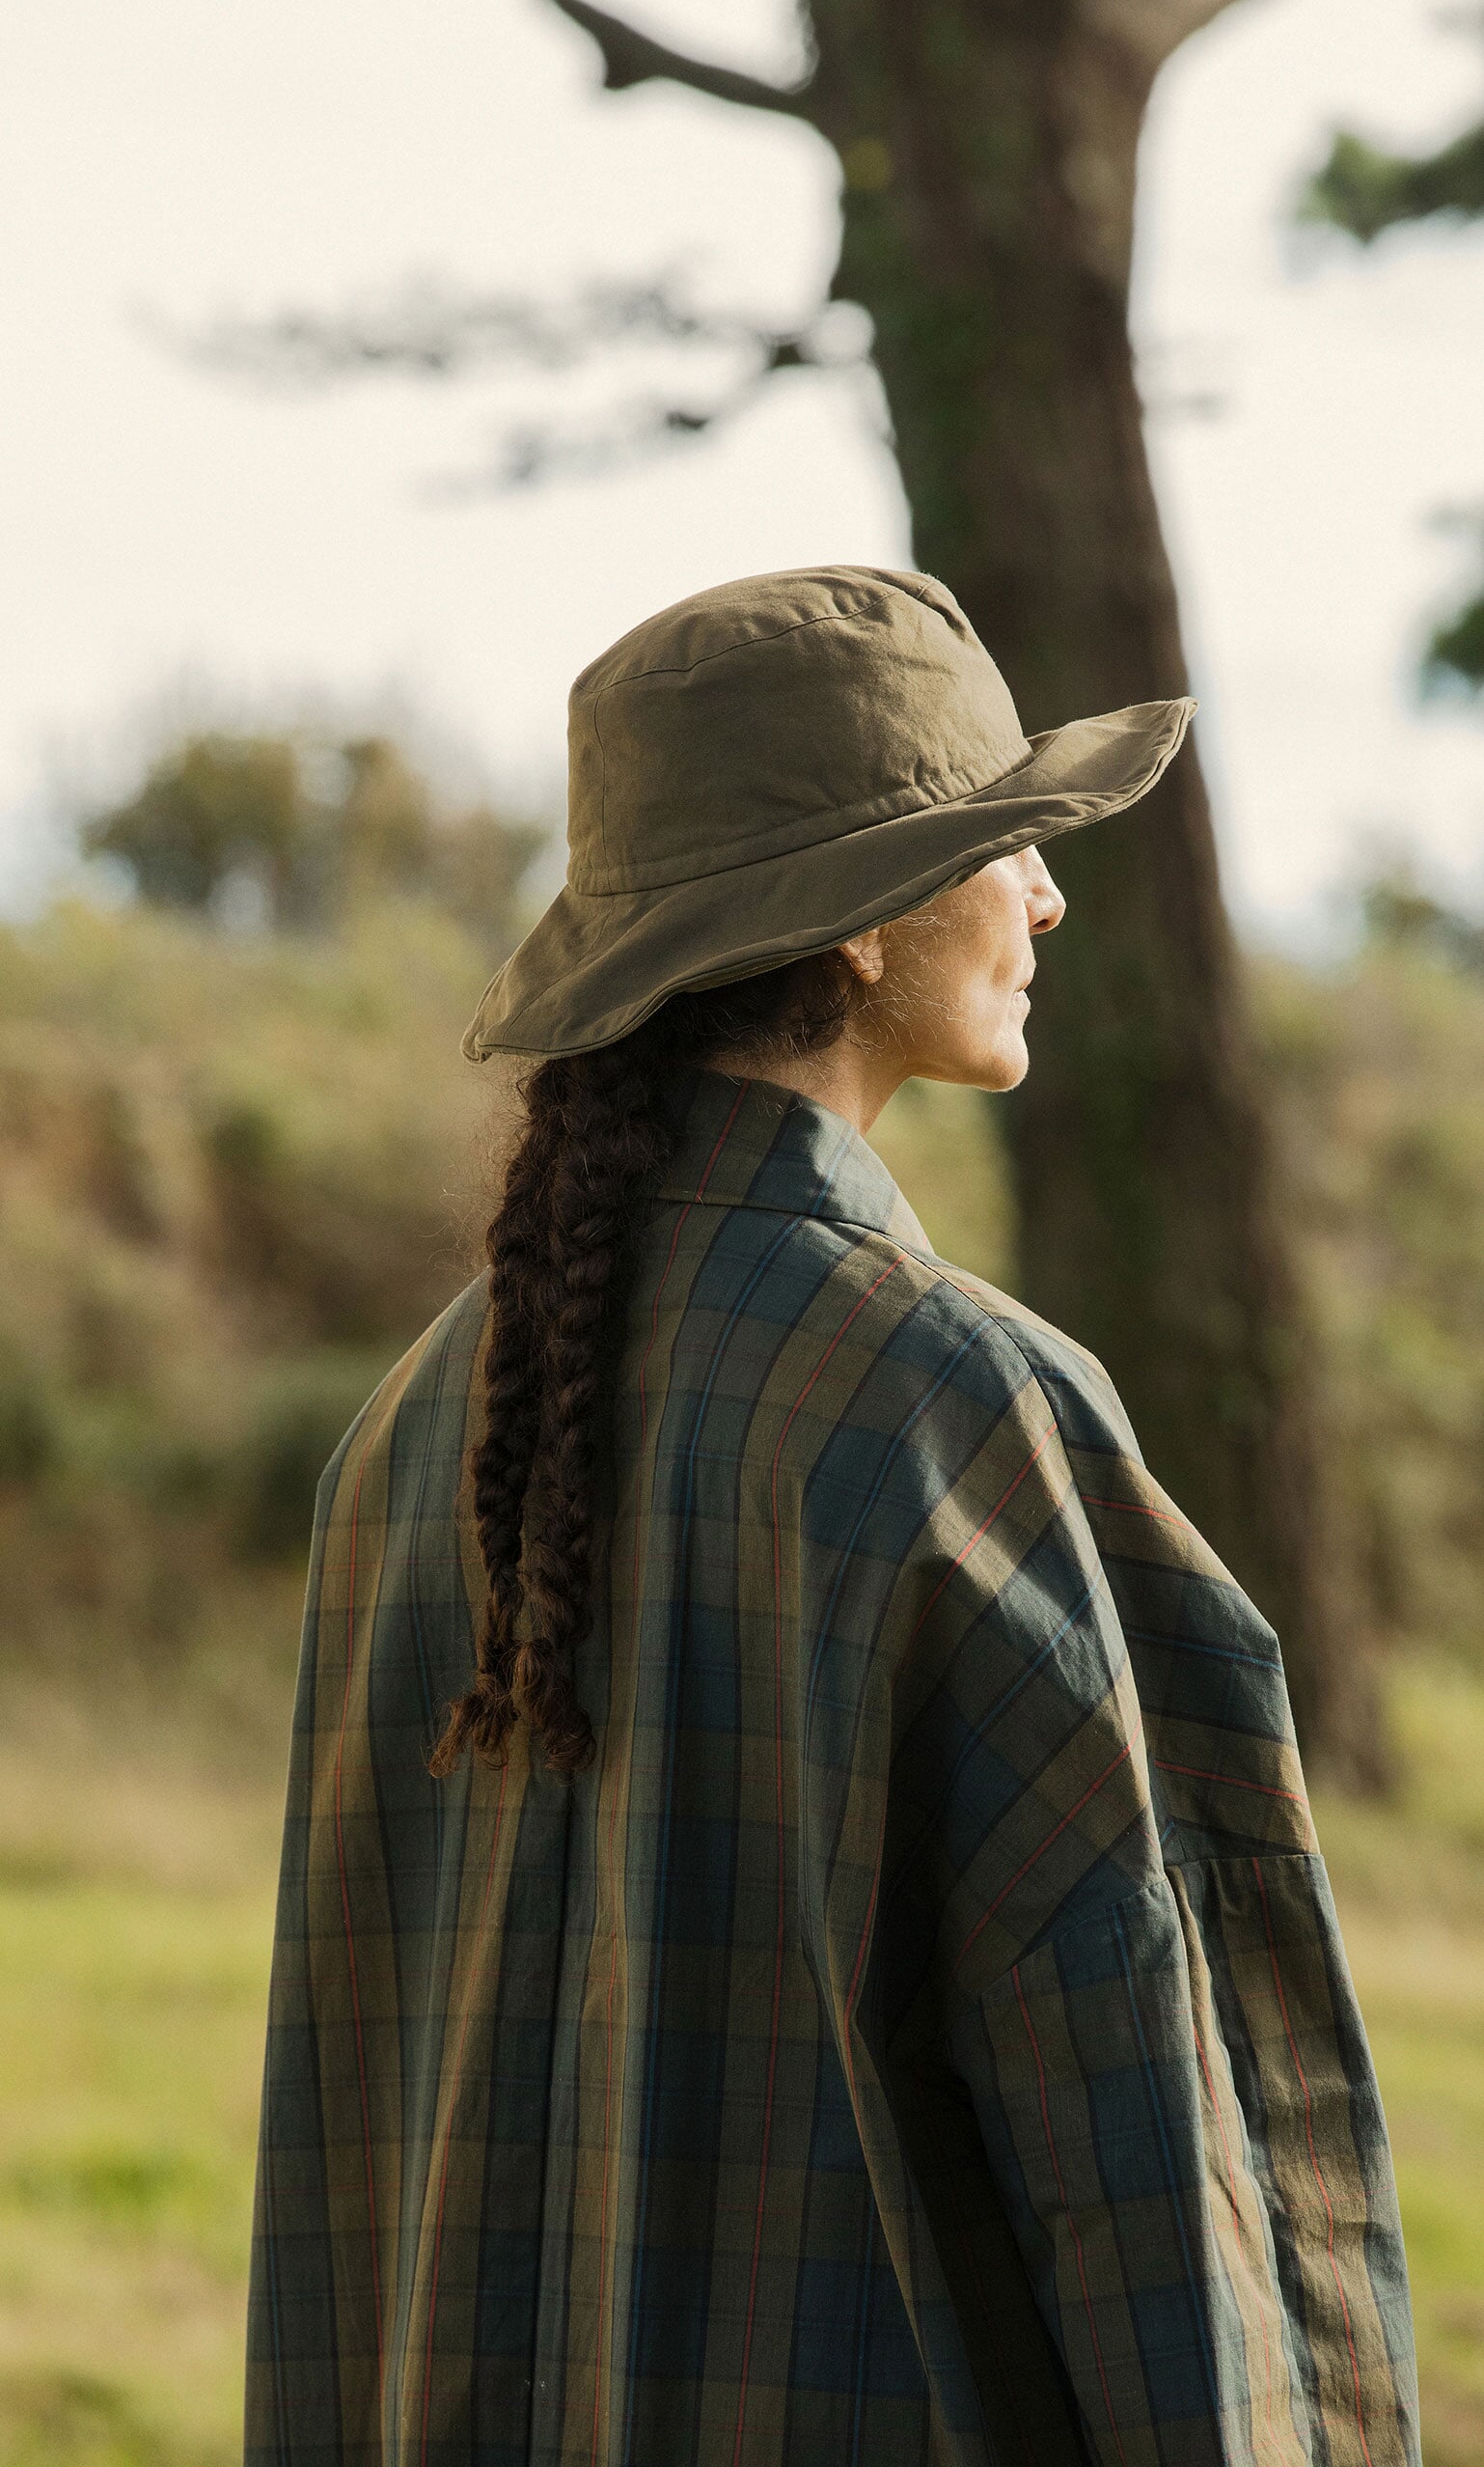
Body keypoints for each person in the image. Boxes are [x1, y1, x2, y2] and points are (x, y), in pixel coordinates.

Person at [245, 568, 1419, 2466]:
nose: (1045, 895)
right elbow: (1147, 2127)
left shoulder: (418, 1422)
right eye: (1004, 845)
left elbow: (341, 2172)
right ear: (866, 916)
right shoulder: (959, 1409)